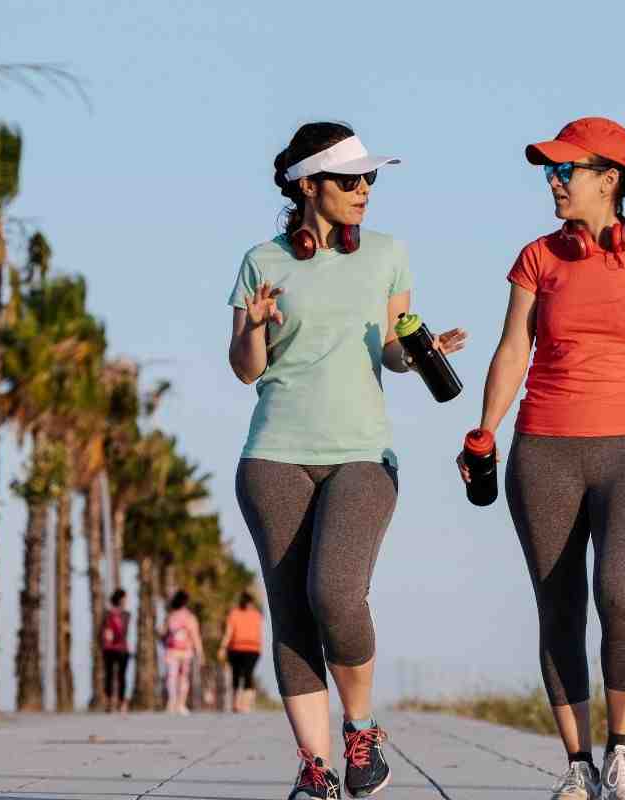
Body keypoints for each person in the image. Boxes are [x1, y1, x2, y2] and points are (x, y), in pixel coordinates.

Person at [459, 117, 625, 800]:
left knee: (621, 594)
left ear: (610, 179)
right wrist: (484, 429)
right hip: (543, 453)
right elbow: (514, 350)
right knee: (559, 607)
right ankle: (577, 763)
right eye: (550, 172)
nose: (554, 183)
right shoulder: (538, 256)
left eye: (566, 171)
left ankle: (623, 752)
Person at [229, 121, 466, 800]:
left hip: (363, 453)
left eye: (371, 179)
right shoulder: (262, 261)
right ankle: (314, 767)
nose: (364, 190)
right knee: (292, 613)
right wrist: (251, 328)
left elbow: (391, 346)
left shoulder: (388, 254)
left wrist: (423, 352)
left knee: (334, 591)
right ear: (309, 186)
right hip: (273, 455)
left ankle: (361, 731)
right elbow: (247, 371)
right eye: (350, 179)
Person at [217, 593, 264, 713]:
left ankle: (245, 704)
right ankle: (236, 704)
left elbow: (259, 633)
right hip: (236, 649)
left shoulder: (256, 615)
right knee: (236, 675)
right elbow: (229, 632)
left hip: (252, 649)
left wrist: (261, 648)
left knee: (247, 675)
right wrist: (223, 647)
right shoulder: (235, 614)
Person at [163, 589, 204, 715]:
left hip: (172, 651)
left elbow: (163, 633)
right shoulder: (190, 617)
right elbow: (195, 636)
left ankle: (171, 703)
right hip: (186, 652)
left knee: (171, 677)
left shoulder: (171, 616)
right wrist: (200, 653)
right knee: (183, 678)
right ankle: (181, 704)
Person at [100, 588, 131, 714]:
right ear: (119, 599)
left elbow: (124, 632)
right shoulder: (107, 614)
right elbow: (102, 630)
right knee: (109, 675)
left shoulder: (126, 615)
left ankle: (121, 702)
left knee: (122, 676)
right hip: (109, 648)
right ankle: (108, 702)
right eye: (125, 598)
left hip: (122, 648)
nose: (126, 601)